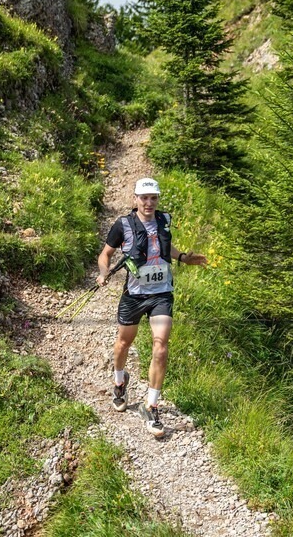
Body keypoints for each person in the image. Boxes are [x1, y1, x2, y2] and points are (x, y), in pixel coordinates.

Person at [96, 177, 206, 437]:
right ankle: (120, 382)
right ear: (135, 199)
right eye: (144, 198)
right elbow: (106, 254)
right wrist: (103, 273)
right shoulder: (122, 225)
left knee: (161, 347)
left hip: (161, 293)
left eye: (153, 198)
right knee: (123, 343)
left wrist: (182, 258)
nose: (148, 202)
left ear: (157, 199)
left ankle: (152, 405)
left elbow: (164, 247)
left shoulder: (163, 221)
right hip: (134, 295)